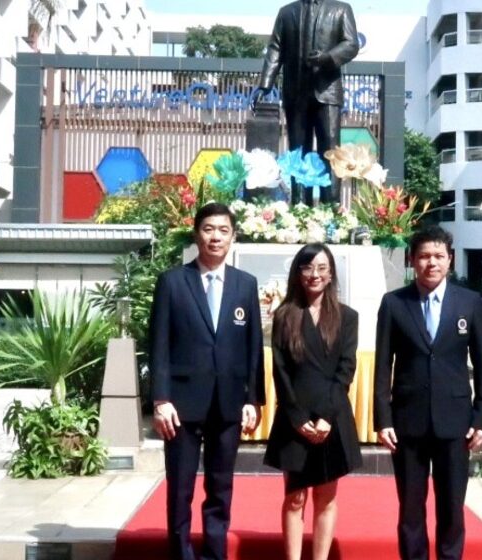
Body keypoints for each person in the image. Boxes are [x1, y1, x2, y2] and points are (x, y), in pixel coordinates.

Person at [149, 203, 266, 560]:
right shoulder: (172, 282)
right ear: (197, 233)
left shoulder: (245, 285)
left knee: (220, 486)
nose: (216, 237)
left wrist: (253, 399)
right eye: (209, 229)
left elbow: (253, 346)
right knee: (181, 487)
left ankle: (215, 552)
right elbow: (159, 345)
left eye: (223, 230)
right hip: (181, 405)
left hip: (228, 402)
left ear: (233, 236)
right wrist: (160, 399)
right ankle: (180, 552)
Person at [373, 225, 482, 560]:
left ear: (450, 260)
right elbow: (383, 365)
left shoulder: (470, 303)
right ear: (412, 260)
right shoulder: (394, 303)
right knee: (410, 510)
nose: (431, 263)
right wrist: (383, 419)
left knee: (452, 508)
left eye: (439, 256)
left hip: (456, 424)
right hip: (408, 423)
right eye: (424, 256)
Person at [263, 243, 362, 560]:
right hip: (295, 419)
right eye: (307, 267)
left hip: (330, 417)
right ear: (298, 272)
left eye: (321, 267)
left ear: (331, 273)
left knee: (326, 497)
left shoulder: (347, 317)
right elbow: (280, 370)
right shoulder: (285, 316)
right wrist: (296, 416)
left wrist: (326, 417)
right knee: (294, 498)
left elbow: (346, 369)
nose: (314, 274)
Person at [254, 0, 360, 206]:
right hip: (296, 92)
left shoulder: (341, 9)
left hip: (326, 91)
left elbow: (351, 44)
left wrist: (328, 58)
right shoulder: (286, 13)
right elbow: (275, 49)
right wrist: (265, 84)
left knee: (329, 152)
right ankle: (300, 206)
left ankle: (331, 207)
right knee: (297, 152)